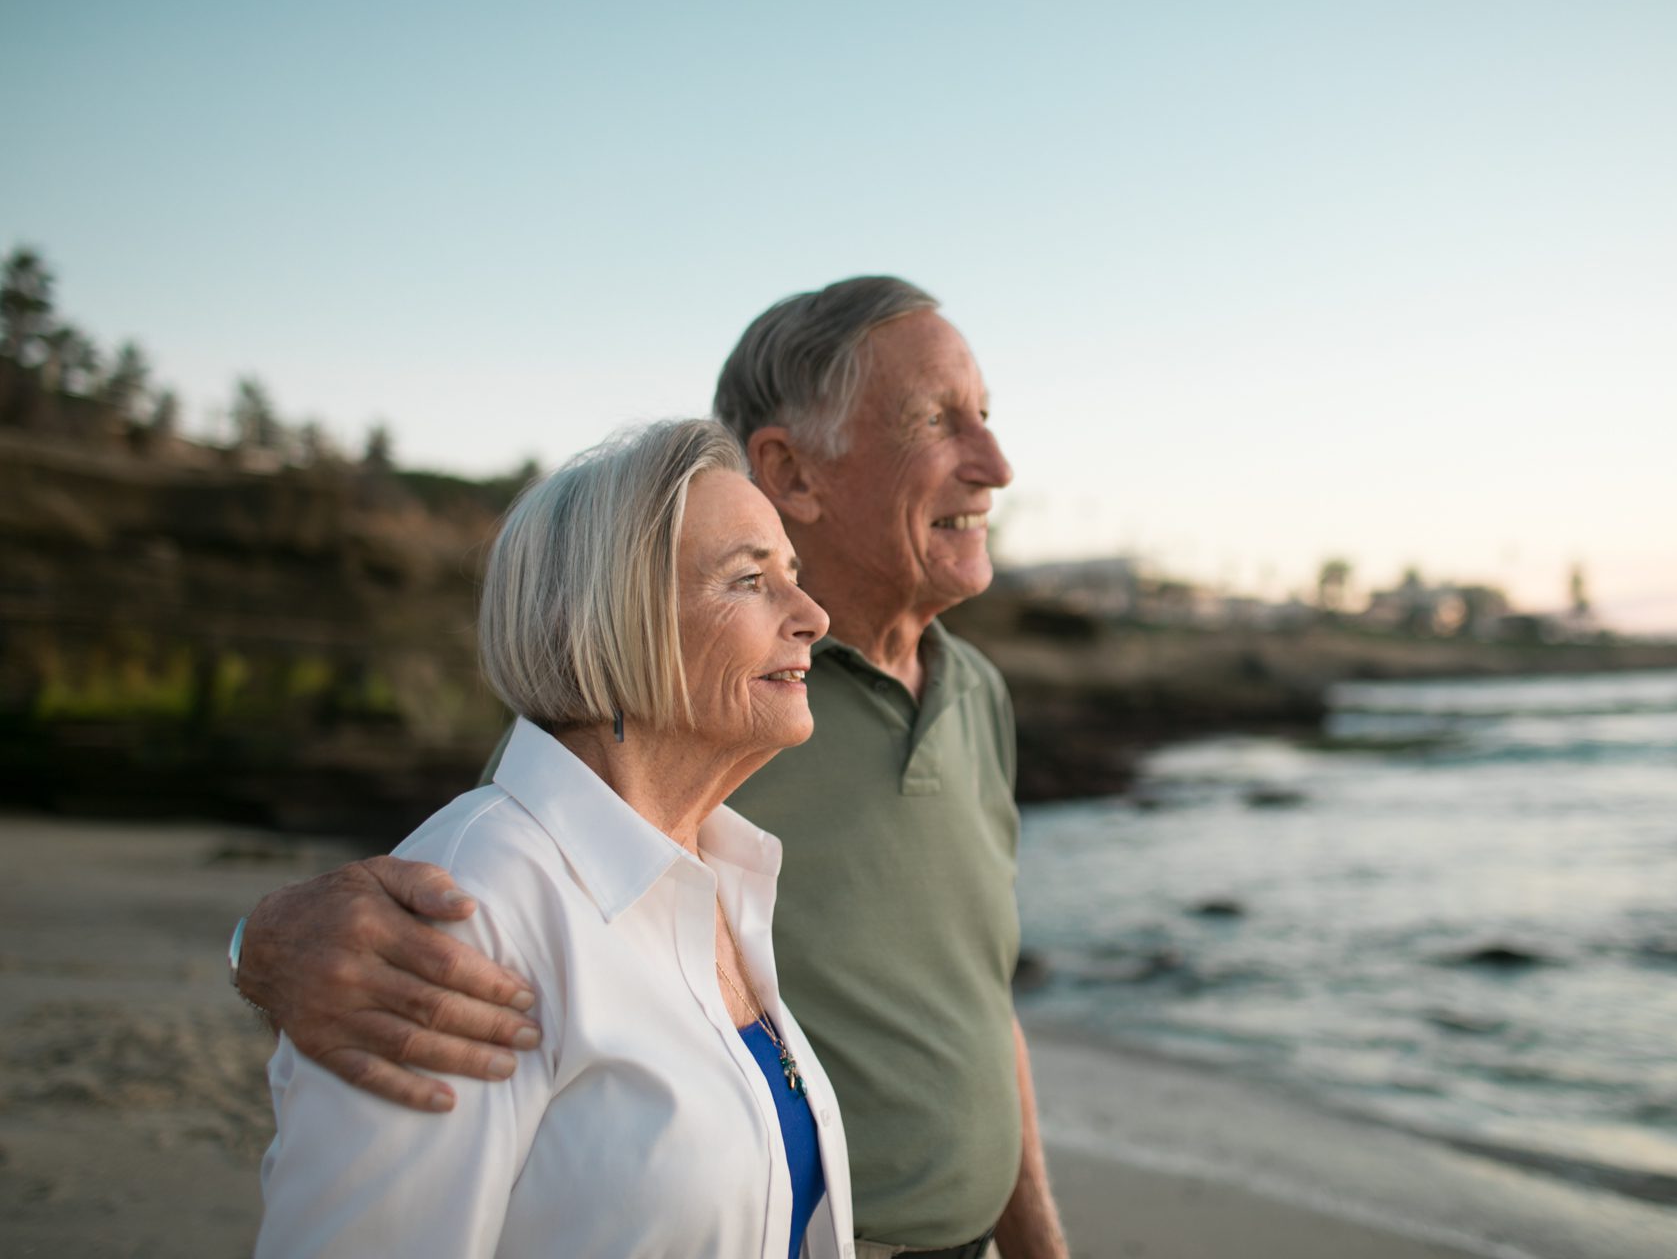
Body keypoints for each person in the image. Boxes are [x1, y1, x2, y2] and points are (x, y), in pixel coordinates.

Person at [235, 278, 1071, 1259]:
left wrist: (1037, 1241)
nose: (998, 463)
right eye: (938, 419)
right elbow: (502, 865)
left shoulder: (969, 701)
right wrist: (264, 939)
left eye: (987, 416)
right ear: (789, 470)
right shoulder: (684, 725)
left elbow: (982, 995)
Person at [253, 419, 854, 1259]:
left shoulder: (715, 874)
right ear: (608, 622)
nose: (814, 616)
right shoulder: (466, 908)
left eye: (792, 575)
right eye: (750, 580)